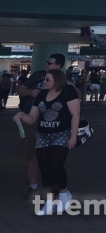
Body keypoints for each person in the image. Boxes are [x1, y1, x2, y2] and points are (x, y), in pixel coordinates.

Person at [13, 69, 80, 215]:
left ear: (57, 80)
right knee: (44, 167)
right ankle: (50, 200)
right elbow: (32, 118)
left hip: (61, 133)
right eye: (44, 79)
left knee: (55, 164)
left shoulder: (67, 91)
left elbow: (75, 114)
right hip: (43, 134)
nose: (44, 82)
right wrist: (21, 115)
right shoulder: (42, 95)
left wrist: (73, 136)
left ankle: (64, 193)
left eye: (48, 79)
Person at [17, 53, 68, 199]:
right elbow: (20, 90)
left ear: (58, 66)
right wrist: (30, 92)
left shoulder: (62, 80)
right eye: (46, 62)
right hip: (32, 118)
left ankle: (54, 186)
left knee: (53, 156)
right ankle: (33, 185)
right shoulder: (38, 75)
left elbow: (75, 97)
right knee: (33, 154)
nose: (47, 65)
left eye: (50, 63)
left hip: (54, 122)